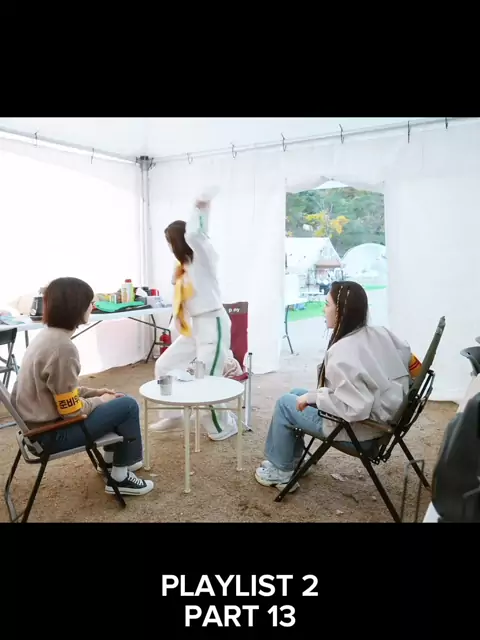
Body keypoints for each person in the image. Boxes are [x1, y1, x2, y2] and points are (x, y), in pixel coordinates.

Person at [255, 280, 414, 492]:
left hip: (361, 432)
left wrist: (314, 397)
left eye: (327, 304)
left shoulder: (343, 352)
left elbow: (355, 408)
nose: (324, 309)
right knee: (295, 394)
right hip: (380, 421)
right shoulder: (380, 332)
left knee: (286, 404)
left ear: (341, 311)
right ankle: (292, 461)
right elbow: (408, 356)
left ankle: (281, 472)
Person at [11, 277, 154, 497]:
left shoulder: (46, 336)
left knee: (117, 398)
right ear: (76, 307)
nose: (92, 306)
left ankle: (112, 463)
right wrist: (100, 401)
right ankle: (120, 477)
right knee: (127, 405)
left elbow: (59, 389)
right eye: (89, 302)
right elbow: (71, 411)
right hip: (50, 436)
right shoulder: (63, 348)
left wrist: (96, 393)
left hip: (36, 430)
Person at [153, 195, 238, 441]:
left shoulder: (202, 259)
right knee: (165, 365)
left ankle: (223, 427)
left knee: (207, 378)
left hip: (213, 323)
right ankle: (173, 415)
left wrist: (200, 209)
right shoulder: (182, 268)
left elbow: (197, 236)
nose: (168, 247)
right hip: (195, 327)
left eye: (169, 241)